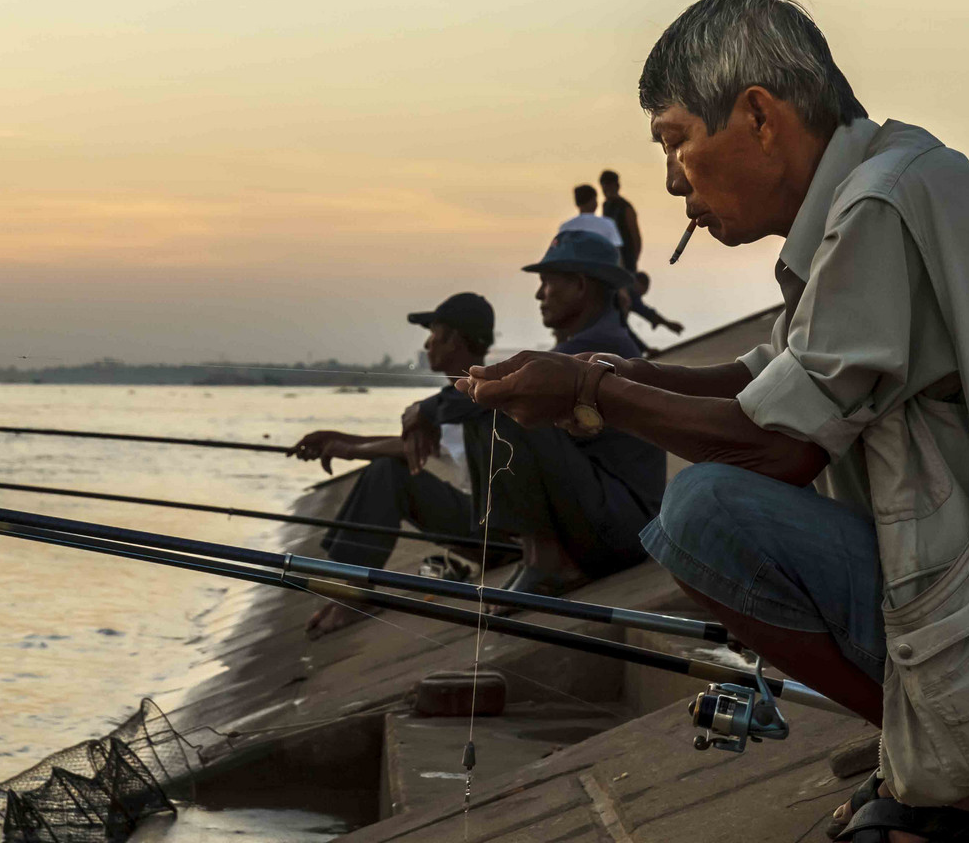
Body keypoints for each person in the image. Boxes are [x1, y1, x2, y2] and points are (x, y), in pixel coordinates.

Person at [458, 0, 969, 843]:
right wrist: (603, 371)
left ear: (759, 118)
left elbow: (778, 445)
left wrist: (590, 393)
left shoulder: (879, 205)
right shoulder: (890, 181)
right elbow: (770, 378)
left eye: (677, 141)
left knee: (705, 514)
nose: (671, 180)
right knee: (712, 502)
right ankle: (947, 742)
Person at [436, 230, 665, 598]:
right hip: (602, 517)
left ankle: (545, 561)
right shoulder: (584, 344)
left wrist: (426, 409)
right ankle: (534, 556)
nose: (539, 295)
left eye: (547, 283)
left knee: (509, 400)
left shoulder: (602, 345)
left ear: (578, 285)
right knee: (491, 401)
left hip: (623, 529)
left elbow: (462, 401)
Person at [290, 292, 493, 637]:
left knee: (386, 474)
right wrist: (338, 441)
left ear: (454, 339)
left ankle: (354, 594)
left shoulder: (476, 396)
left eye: (433, 335)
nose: (427, 345)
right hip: (486, 527)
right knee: (387, 470)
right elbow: (412, 446)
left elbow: (406, 451)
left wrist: (347, 448)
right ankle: (349, 590)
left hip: (499, 532)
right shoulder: (454, 403)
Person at [598, 169, 642, 270]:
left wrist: (633, 259)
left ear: (616, 186)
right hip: (611, 257)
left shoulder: (625, 207)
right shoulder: (606, 205)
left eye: (609, 185)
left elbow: (635, 235)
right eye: (604, 186)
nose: (606, 189)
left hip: (625, 257)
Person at [558, 184, 624, 248]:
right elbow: (616, 249)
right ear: (594, 201)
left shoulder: (565, 227)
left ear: (577, 203)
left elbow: (560, 250)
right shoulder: (608, 224)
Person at [625, 270, 683, 339]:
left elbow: (644, 310)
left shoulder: (626, 280)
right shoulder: (631, 291)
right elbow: (643, 310)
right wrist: (668, 324)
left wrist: (666, 323)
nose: (639, 297)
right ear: (640, 284)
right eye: (641, 294)